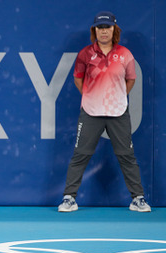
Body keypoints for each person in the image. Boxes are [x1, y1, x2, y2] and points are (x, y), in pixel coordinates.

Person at [58, 11, 151, 213]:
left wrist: (117, 96)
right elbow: (78, 79)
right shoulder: (85, 54)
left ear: (114, 30)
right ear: (95, 31)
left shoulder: (125, 54)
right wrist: (91, 96)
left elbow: (131, 79)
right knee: (80, 154)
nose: (103, 31)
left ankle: (138, 199)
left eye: (107, 27)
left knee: (126, 155)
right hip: (91, 112)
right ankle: (69, 198)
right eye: (100, 28)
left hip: (118, 112)